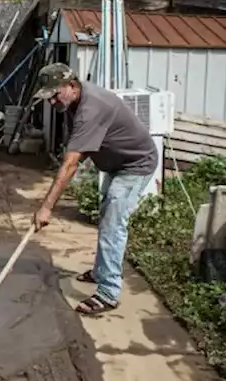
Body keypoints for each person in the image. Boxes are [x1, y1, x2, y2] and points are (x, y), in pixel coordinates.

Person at [30, 63, 157, 316]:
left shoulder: (91, 108)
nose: (53, 101)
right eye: (49, 97)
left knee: (113, 224)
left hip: (135, 164)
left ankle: (108, 293)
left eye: (56, 94)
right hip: (115, 164)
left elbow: (70, 164)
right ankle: (101, 271)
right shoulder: (72, 104)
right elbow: (79, 149)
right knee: (107, 216)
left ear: (72, 85)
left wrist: (46, 208)